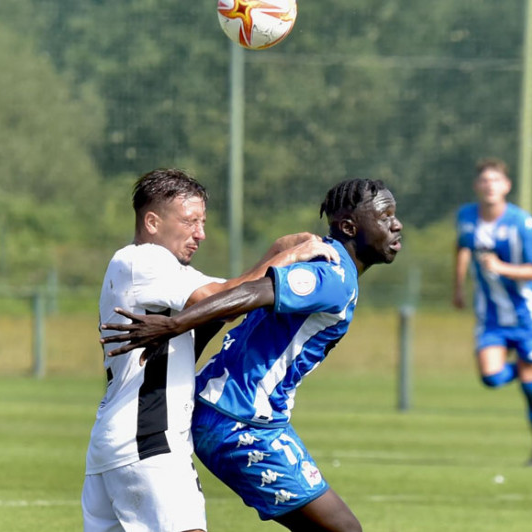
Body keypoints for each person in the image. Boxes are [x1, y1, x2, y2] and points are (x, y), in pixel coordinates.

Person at [101, 178, 403, 531]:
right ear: (350, 226)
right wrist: (175, 326)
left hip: (247, 416)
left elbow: (234, 304)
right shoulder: (331, 274)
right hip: (239, 420)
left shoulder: (334, 269)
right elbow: (254, 291)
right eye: (385, 216)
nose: (396, 225)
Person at [452, 157, 532, 467]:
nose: (489, 185)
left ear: (506, 186)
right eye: (484, 180)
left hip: (526, 314)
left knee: (528, 383)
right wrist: (458, 287)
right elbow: (462, 248)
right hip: (491, 315)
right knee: (491, 378)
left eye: (495, 180)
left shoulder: (521, 223)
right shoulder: (466, 217)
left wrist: (502, 268)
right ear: (476, 186)